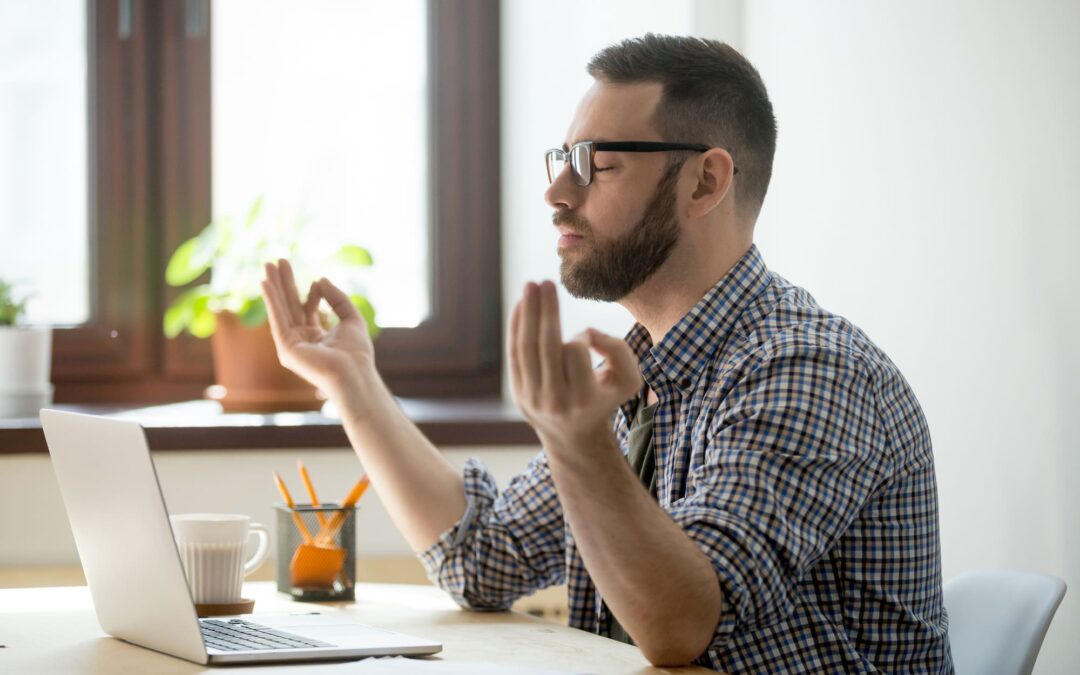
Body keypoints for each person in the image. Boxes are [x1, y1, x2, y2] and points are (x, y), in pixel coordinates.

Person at [261, 34, 953, 672]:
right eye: (564, 159)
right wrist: (352, 383)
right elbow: (481, 556)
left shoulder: (808, 370)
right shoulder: (641, 375)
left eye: (598, 163)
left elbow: (685, 624)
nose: (557, 192)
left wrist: (581, 444)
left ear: (706, 182)